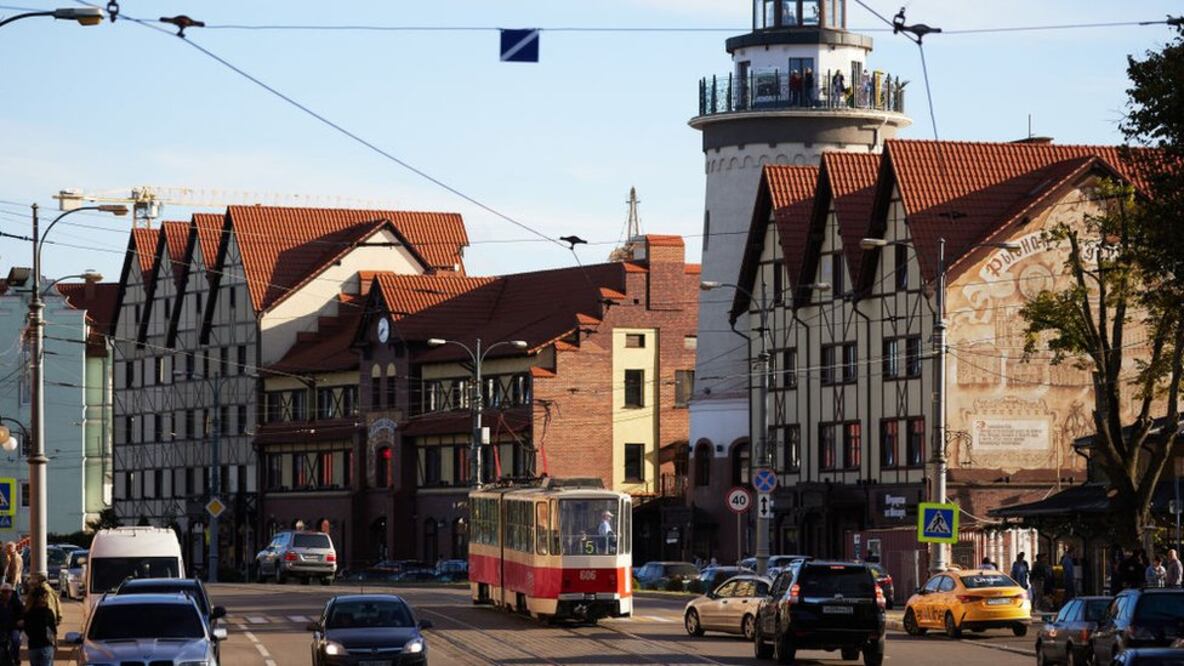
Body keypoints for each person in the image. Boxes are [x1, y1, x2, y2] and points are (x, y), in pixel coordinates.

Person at [19, 586, 55, 666]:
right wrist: (55, 643)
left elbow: (26, 629)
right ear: (42, 597)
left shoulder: (28, 613)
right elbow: (52, 630)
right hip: (46, 646)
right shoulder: (48, 612)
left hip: (33, 647)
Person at [0, 583, 22, 666]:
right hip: (2, 628)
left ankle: (16, 657)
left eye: (8, 592)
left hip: (13, 627)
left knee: (15, 640)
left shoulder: (15, 601)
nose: (6, 594)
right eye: (4, 592)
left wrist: (21, 620)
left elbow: (22, 612)